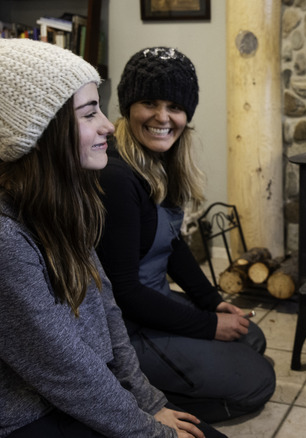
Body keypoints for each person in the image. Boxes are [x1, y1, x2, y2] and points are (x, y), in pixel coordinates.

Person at [0, 39, 226, 438]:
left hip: (80, 390)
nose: (108, 125)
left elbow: (106, 309)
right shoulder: (8, 239)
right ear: (39, 131)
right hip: (30, 415)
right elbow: (64, 369)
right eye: (90, 113)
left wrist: (149, 401)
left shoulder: (67, 204)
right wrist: (150, 428)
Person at [96, 46, 275, 423]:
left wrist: (211, 302)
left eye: (174, 107)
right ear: (128, 107)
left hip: (152, 302)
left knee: (252, 337)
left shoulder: (162, 161)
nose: (163, 117)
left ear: (186, 115)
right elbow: (124, 293)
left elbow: (171, 243)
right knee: (258, 382)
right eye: (149, 102)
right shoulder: (116, 175)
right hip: (125, 328)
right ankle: (131, 400)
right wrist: (209, 326)